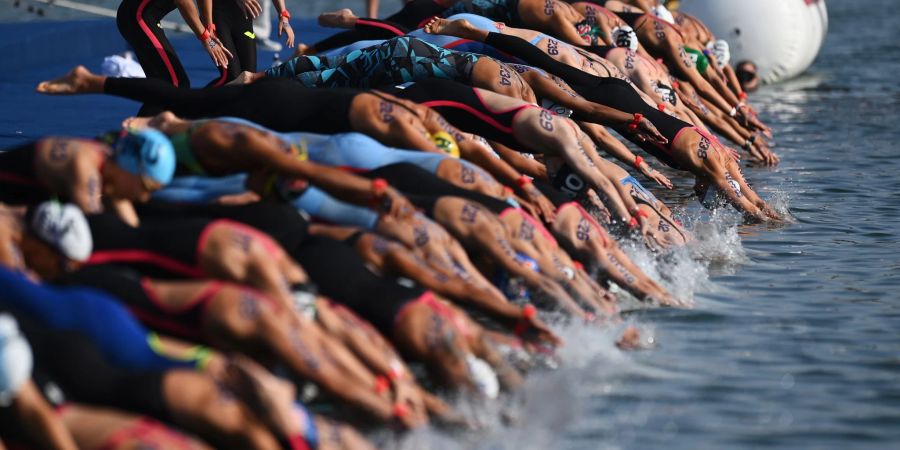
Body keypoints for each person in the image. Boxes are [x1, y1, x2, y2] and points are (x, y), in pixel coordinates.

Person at [423, 18, 782, 221]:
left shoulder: (710, 158)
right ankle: (474, 32)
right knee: (550, 67)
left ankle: (483, 37)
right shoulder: (703, 160)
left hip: (623, 97)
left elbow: (750, 200)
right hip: (616, 101)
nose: (708, 190)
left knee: (554, 70)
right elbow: (749, 208)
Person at [37, 66, 476, 157]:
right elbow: (435, 155)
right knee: (199, 117)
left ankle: (96, 83)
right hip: (277, 113)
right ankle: (162, 124)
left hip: (283, 95)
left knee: (194, 104)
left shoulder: (406, 108)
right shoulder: (398, 127)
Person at [0, 129, 176, 225]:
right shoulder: (84, 167)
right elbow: (96, 229)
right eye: (146, 187)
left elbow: (130, 226)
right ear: (131, 168)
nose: (144, 197)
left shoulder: (107, 159)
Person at [115, 0, 232, 114]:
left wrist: (209, 29)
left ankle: (142, 130)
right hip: (137, 17)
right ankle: (134, 130)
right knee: (173, 84)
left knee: (166, 85)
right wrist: (206, 39)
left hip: (144, 18)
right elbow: (183, 2)